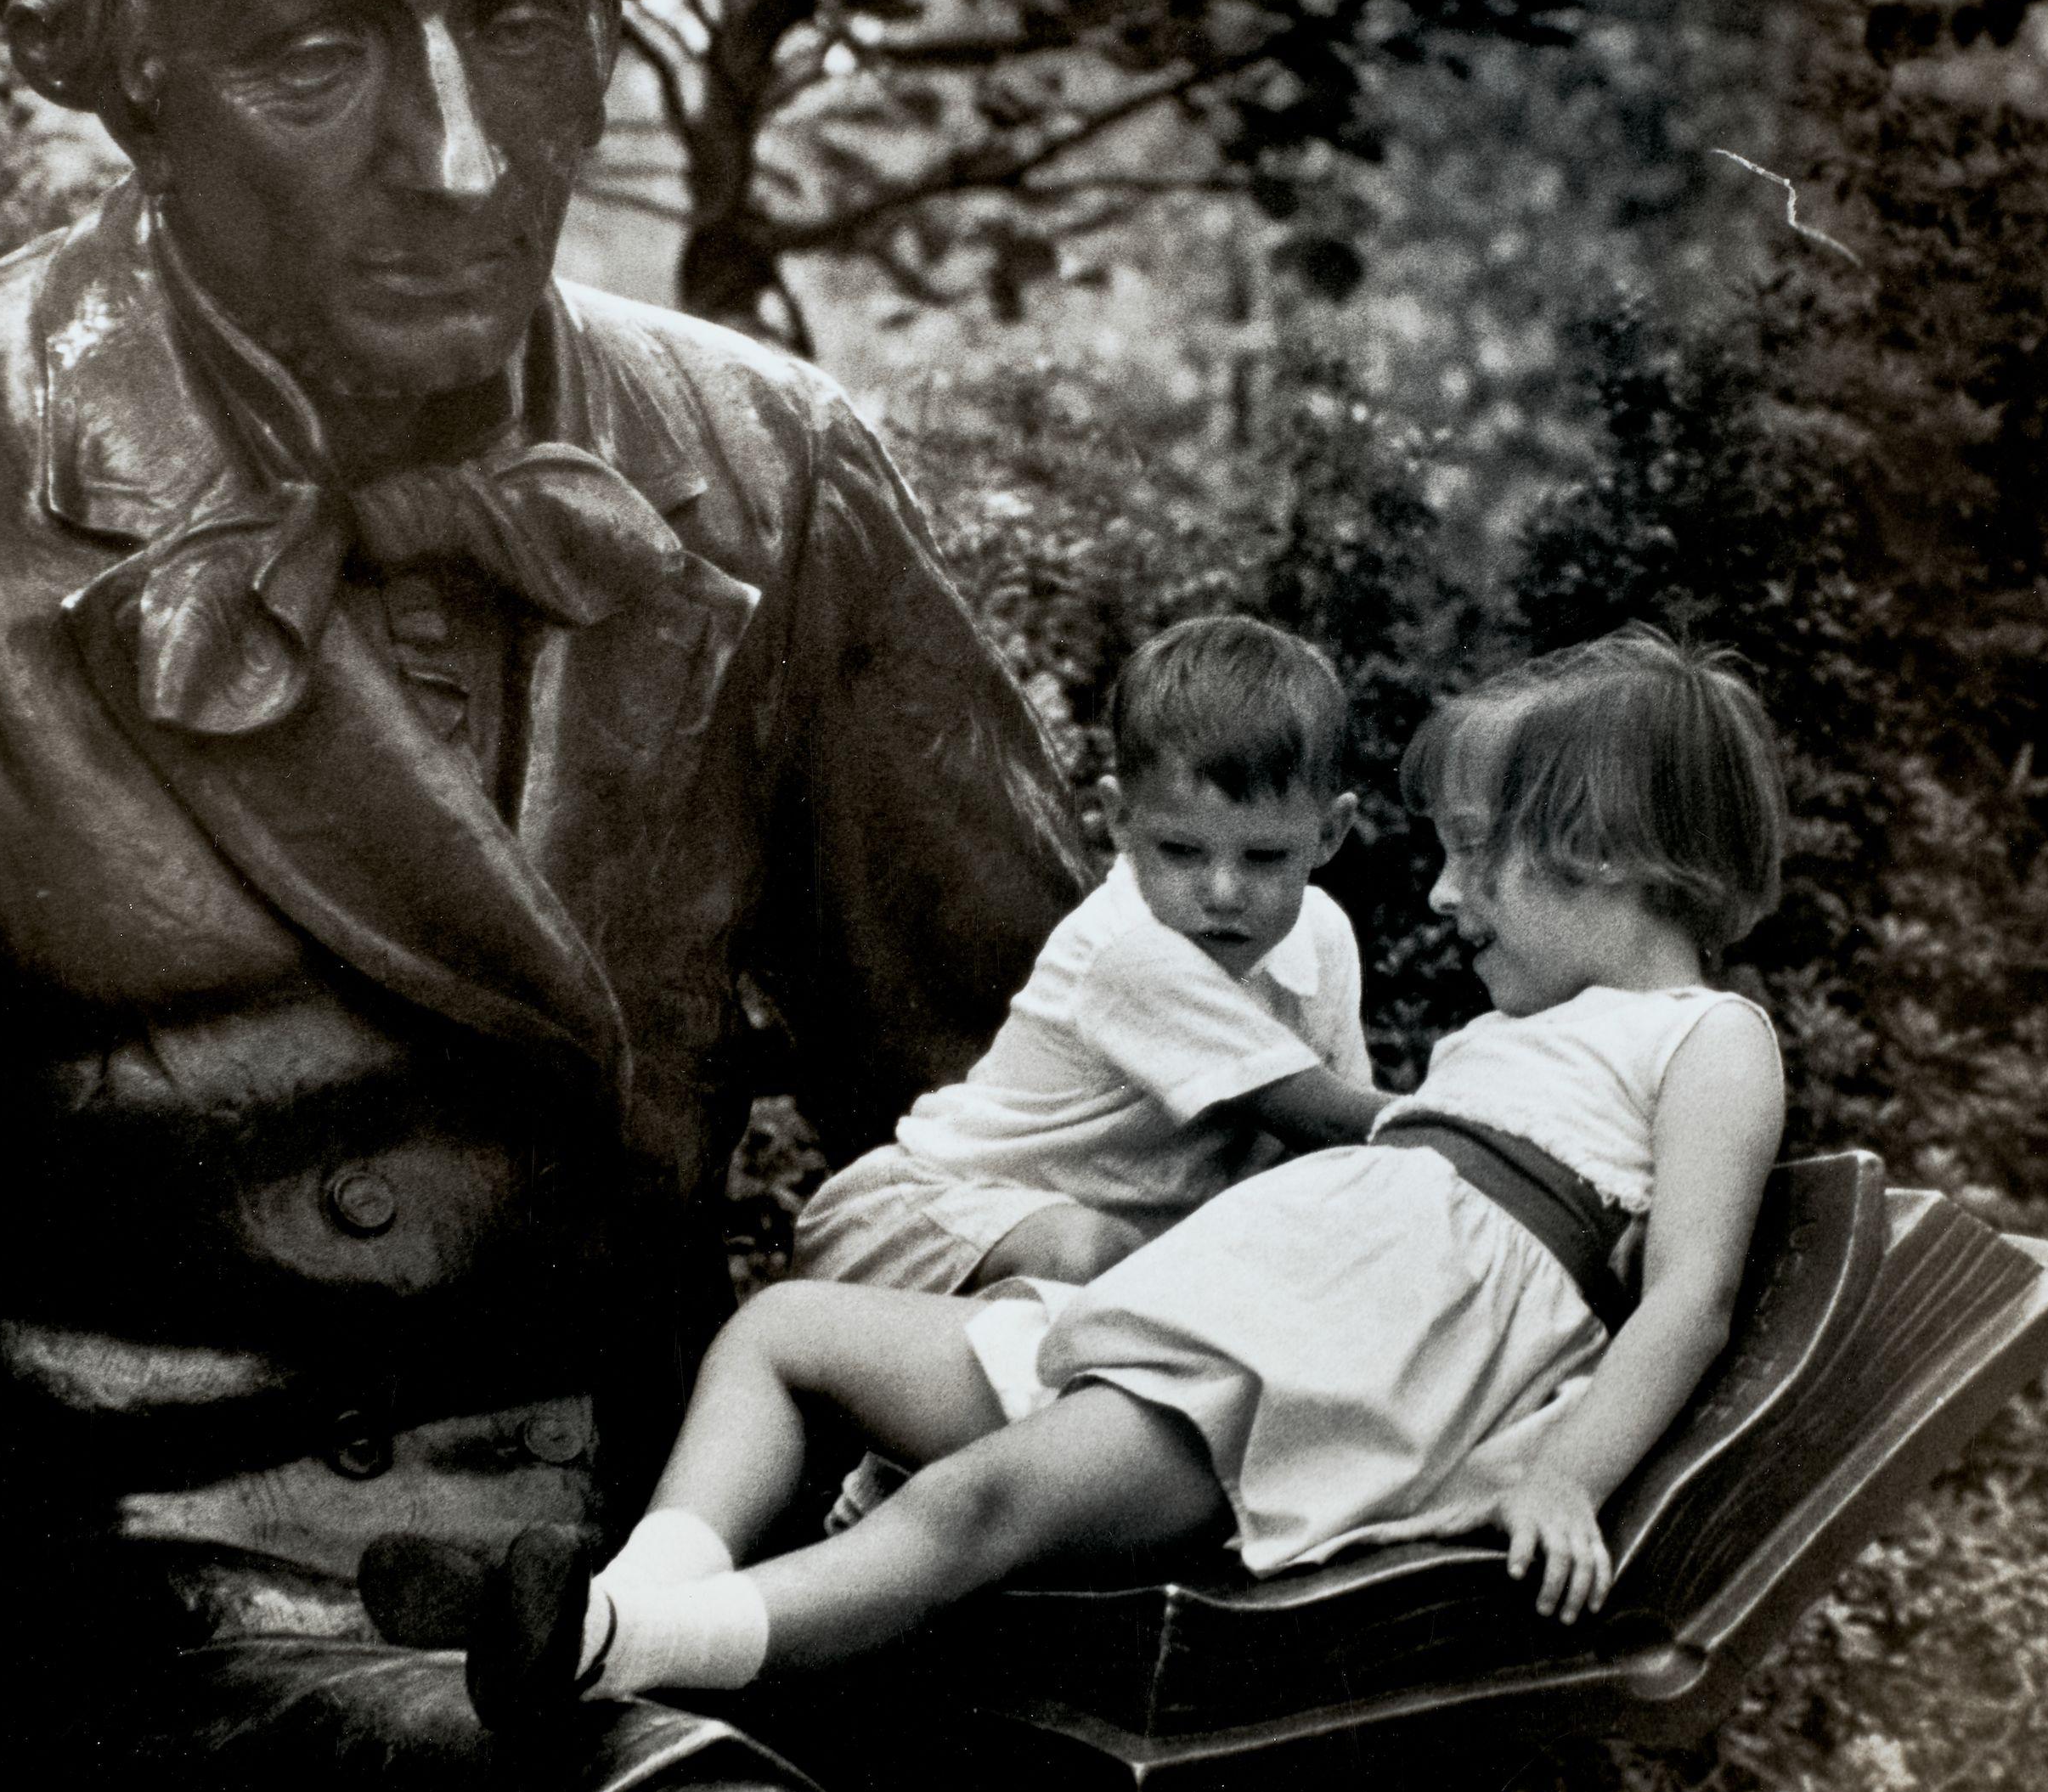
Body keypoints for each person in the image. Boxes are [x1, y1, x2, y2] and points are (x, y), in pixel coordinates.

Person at [0, 0, 1085, 1792]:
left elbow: (1053, 1098)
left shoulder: (769, 476)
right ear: (139, 58)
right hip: (70, 1691)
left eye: (519, 21)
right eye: (320, 49)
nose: (454, 152)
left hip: (653, 1594)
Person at [441, 628, 1791, 1729]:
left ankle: (627, 1650)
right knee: (786, 1332)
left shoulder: (1711, 1037)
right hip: (1223, 1312)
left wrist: (1565, 1473)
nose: (1443, 898)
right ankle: (629, 1593)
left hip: (1298, 1383)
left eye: (1477, 858)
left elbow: (1689, 1297)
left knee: (974, 1504)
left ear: (1601, 855)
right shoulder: (1512, 1037)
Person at [793, 614, 1383, 1295]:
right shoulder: (1130, 948)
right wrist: (1486, 1112)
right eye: (1181, 851)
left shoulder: (1323, 935)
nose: (1223, 894)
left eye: (1265, 857)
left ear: (1330, 832)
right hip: (922, 1223)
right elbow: (1328, 1117)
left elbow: (1354, 1153)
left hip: (1087, 1251)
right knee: (1094, 1255)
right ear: (1121, 818)